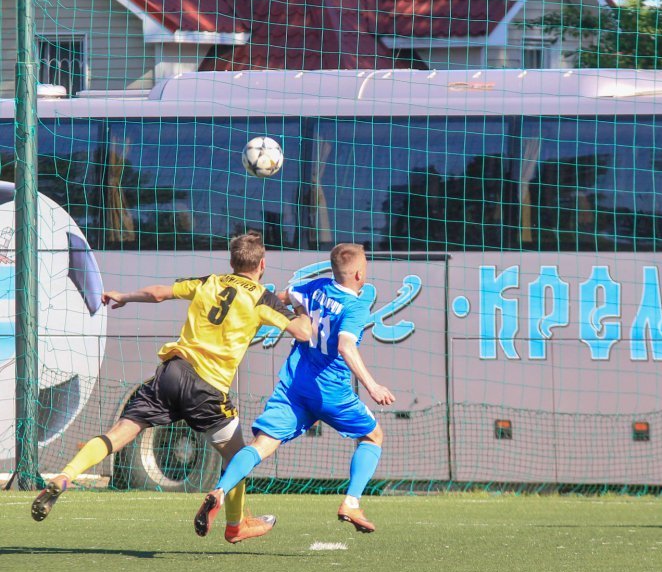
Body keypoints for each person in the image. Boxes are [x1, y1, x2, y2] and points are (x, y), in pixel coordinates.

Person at [31, 233, 313, 544]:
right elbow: (302, 332)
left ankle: (66, 475)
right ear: (262, 264)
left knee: (120, 432)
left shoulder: (210, 282)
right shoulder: (261, 297)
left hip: (172, 373)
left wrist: (124, 296)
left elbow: (158, 294)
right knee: (238, 458)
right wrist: (301, 306)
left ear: (232, 262)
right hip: (208, 388)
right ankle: (236, 525)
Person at [194, 243, 395, 538]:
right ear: (359, 274)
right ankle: (351, 503)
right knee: (373, 436)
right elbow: (345, 346)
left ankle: (220, 491)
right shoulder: (356, 307)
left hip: (295, 386)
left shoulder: (318, 286)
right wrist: (373, 385)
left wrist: (295, 311)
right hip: (331, 391)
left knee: (261, 444)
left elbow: (281, 297)